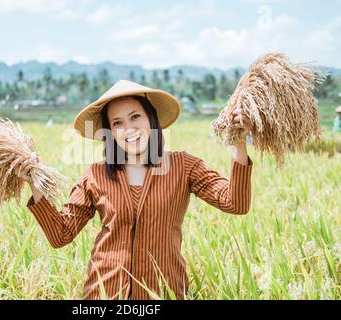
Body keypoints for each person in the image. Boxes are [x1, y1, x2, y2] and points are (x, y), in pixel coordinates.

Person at [16, 79, 254, 300]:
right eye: (118, 123)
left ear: (151, 120)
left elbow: (236, 203)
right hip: (104, 294)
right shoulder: (95, 176)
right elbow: (61, 235)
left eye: (135, 117)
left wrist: (238, 144)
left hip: (163, 292)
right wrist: (34, 184)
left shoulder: (184, 167)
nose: (129, 129)